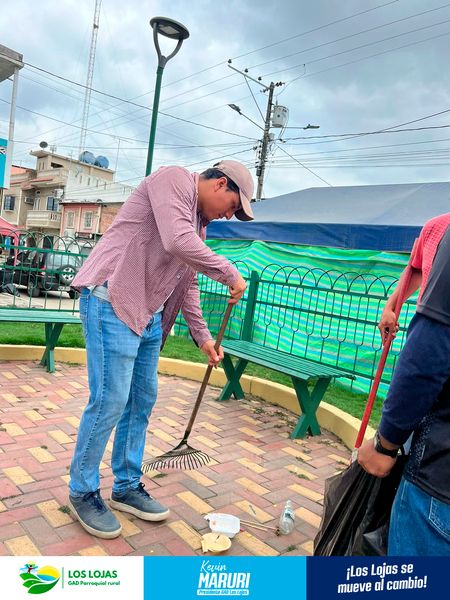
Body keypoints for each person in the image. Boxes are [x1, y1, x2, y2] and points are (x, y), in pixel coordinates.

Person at [68, 160, 254, 539]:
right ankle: (82, 491)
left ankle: (126, 486)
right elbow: (176, 242)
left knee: (142, 400)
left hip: (149, 316)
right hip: (112, 301)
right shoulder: (174, 180)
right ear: (220, 184)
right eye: (232, 206)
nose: (227, 216)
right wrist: (229, 272)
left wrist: (203, 336)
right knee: (109, 401)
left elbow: (187, 282)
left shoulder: (198, 224)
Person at [358, 213, 450, 556]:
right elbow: (416, 268)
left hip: (438, 464)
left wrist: (385, 445)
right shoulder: (436, 227)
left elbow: (429, 357)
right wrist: (391, 305)